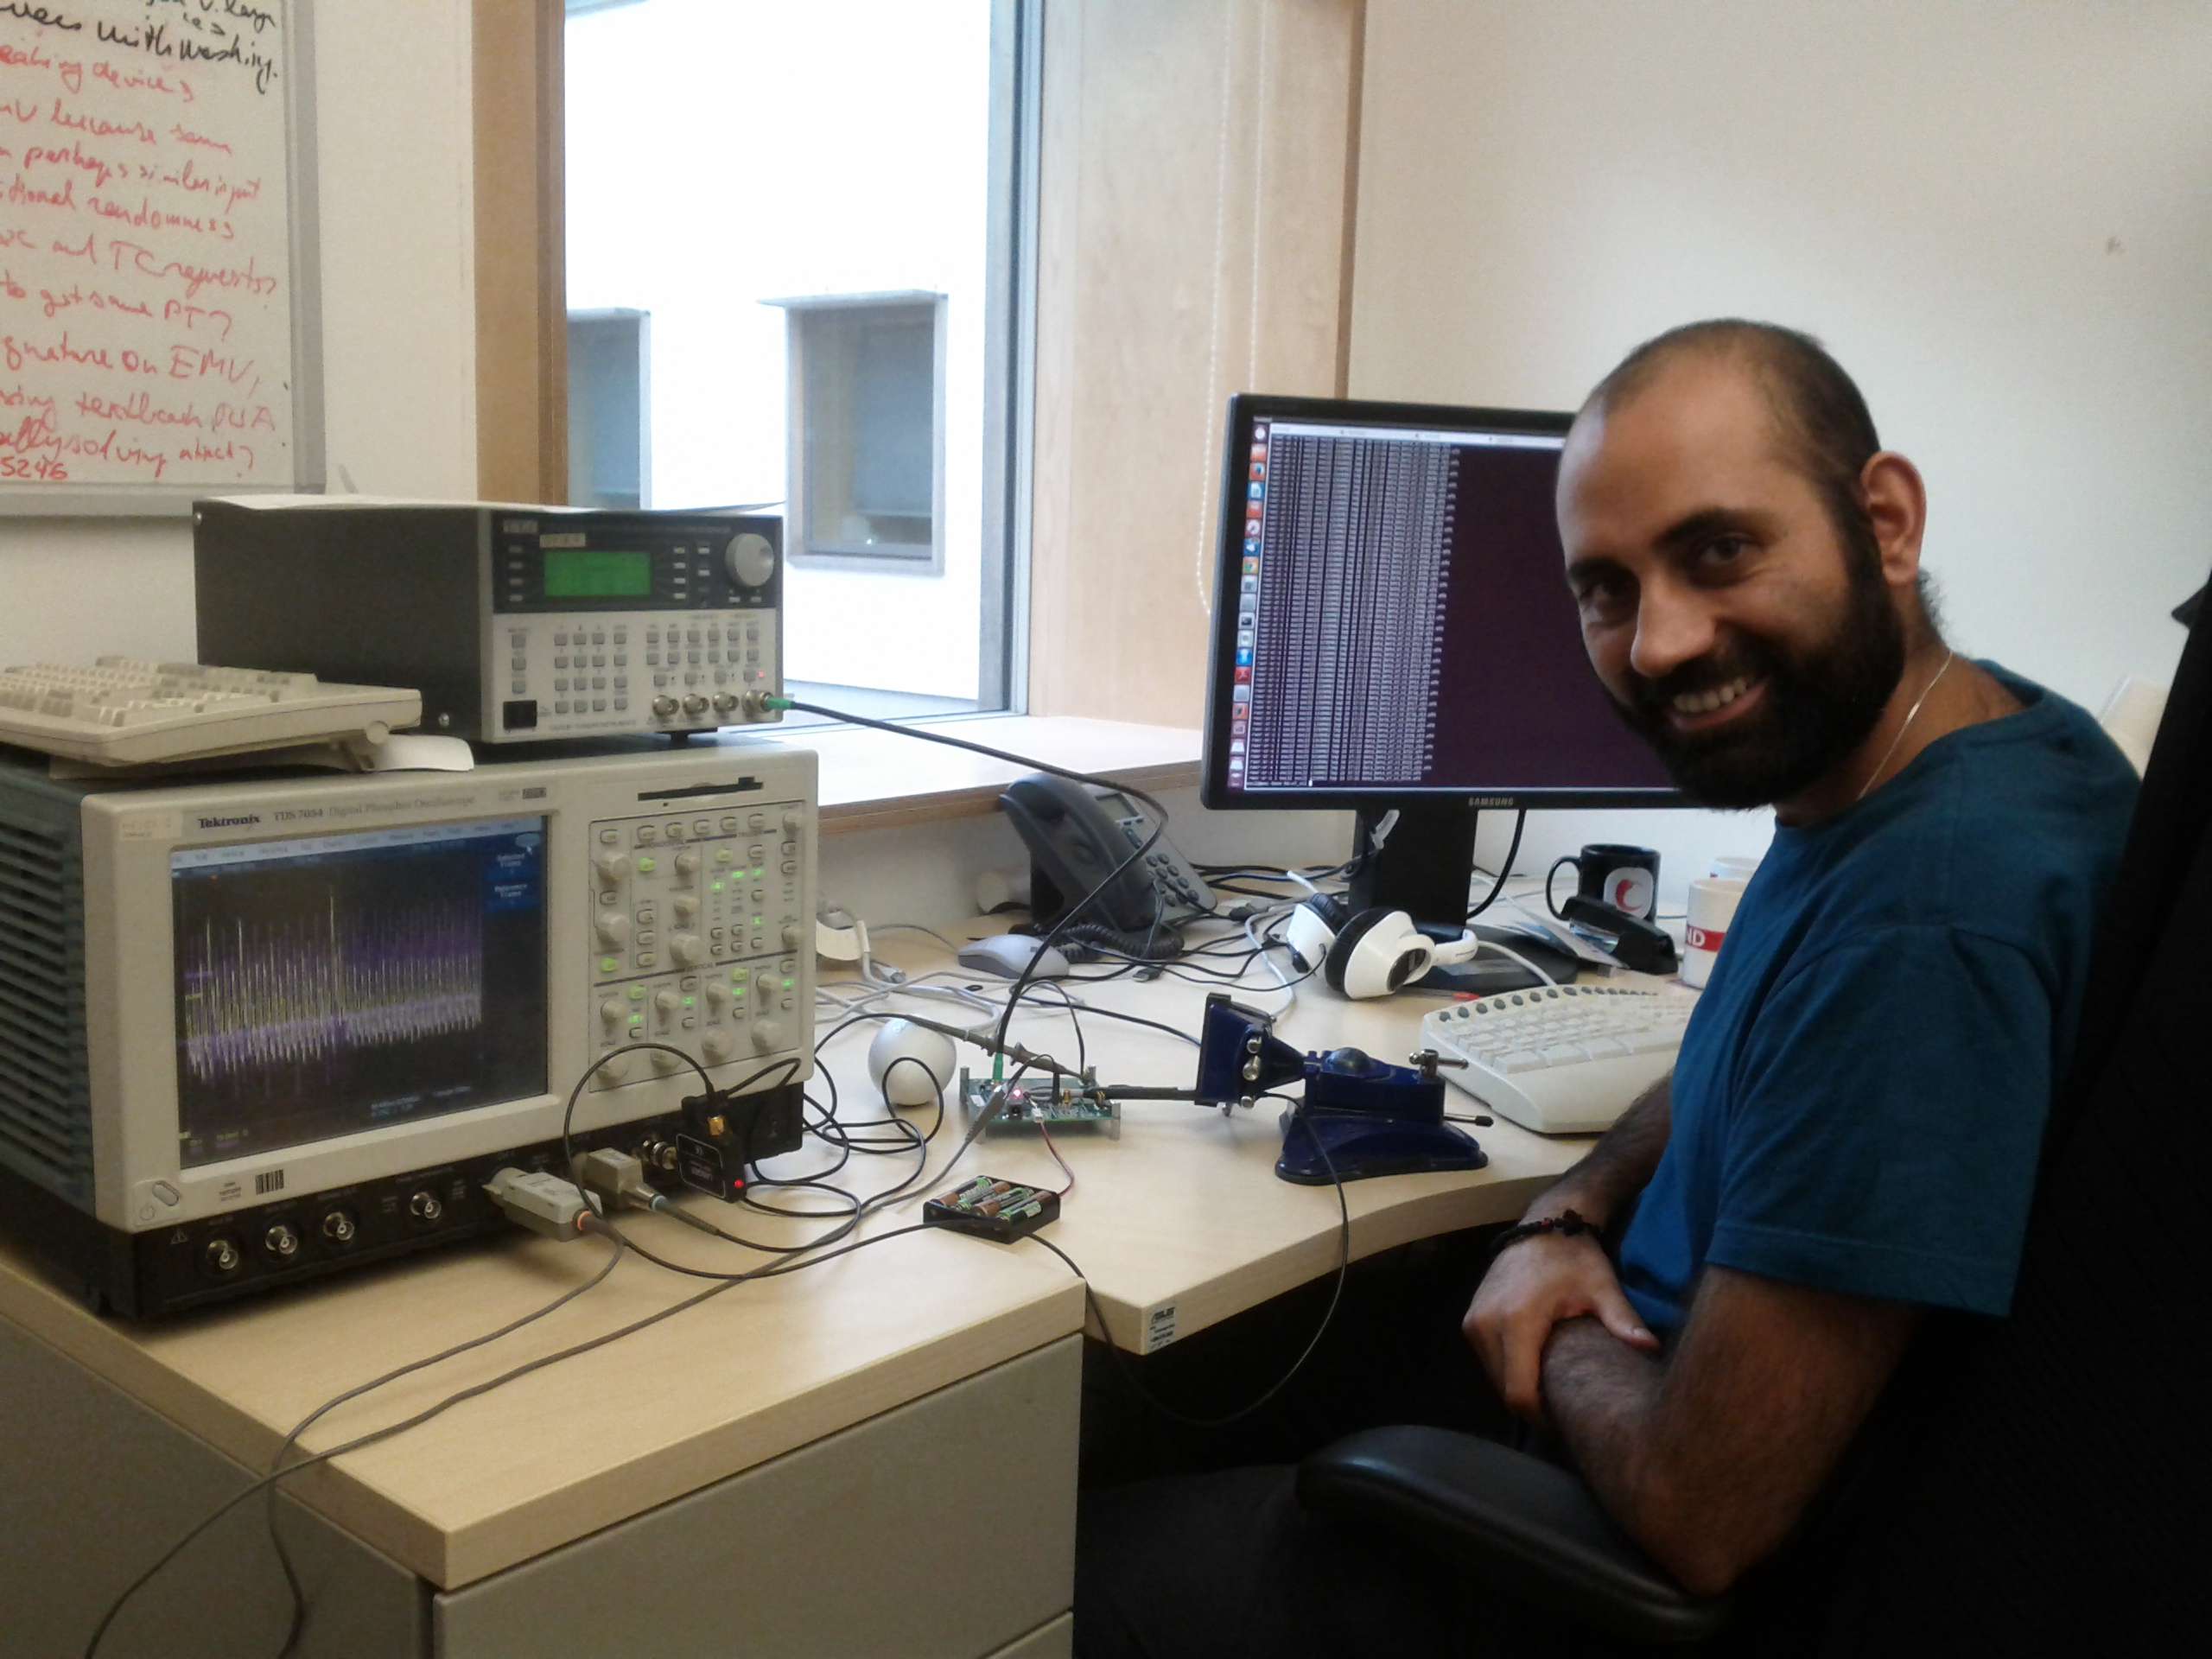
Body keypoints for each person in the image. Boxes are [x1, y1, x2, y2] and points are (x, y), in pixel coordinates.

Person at [1073, 321, 2139, 1657]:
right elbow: (1732, 1060)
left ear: (1885, 522)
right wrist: (1564, 1215)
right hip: (1637, 1381)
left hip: (1634, 1539)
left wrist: (1557, 1311)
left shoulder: (1922, 925)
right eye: (1606, 589)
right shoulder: (1965, 750)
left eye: (1720, 550)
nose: (1660, 643)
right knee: (1143, 1392)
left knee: (1045, 1562)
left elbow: (1706, 1512)